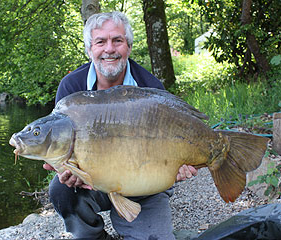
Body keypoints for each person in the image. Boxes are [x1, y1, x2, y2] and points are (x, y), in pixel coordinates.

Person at [44, 11, 197, 240]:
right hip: (93, 182)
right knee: (60, 189)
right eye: (100, 42)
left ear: (129, 47)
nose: (109, 49)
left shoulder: (149, 87)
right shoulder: (71, 89)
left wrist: (180, 165)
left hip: (143, 184)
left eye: (117, 40)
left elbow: (172, 146)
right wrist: (69, 171)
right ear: (89, 50)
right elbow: (59, 144)